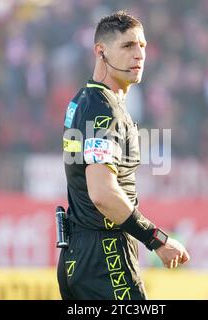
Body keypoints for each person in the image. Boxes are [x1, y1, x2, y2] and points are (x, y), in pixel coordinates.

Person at [57, 10, 190, 300]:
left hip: (78, 256)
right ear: (100, 52)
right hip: (106, 259)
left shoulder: (84, 99)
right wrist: (157, 240)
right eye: (128, 46)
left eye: (142, 46)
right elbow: (102, 193)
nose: (139, 54)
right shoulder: (103, 109)